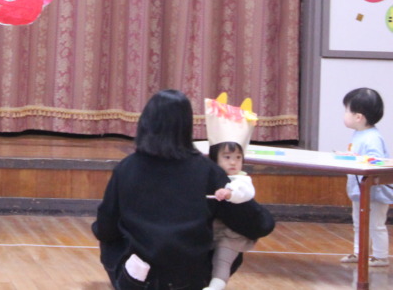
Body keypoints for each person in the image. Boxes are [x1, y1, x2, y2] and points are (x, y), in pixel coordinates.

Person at [91, 90, 275, 289]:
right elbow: (260, 225)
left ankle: (134, 277)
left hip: (138, 276)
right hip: (191, 278)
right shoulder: (208, 171)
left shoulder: (126, 168)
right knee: (232, 233)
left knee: (110, 237)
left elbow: (105, 228)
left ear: (145, 122)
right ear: (187, 126)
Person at [341, 87, 392, 267]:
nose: (344, 114)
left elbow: (376, 162)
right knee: (359, 222)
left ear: (358, 117)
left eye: (346, 110)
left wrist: (357, 159)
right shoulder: (359, 134)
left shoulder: (372, 138)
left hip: (375, 192)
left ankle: (380, 256)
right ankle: (359, 252)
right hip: (360, 190)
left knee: (375, 224)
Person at [204, 142, 257, 290]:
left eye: (238, 157)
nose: (233, 162)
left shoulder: (241, 179)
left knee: (223, 258)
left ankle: (217, 285)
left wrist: (229, 193)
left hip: (232, 232)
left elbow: (244, 192)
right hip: (210, 229)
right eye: (227, 157)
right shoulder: (208, 176)